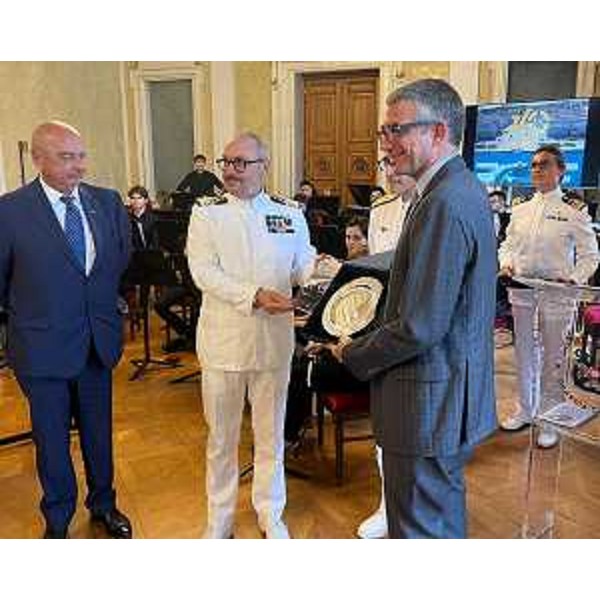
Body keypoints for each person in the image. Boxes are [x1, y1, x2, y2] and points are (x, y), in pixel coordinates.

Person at [327, 79, 498, 538]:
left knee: (420, 531)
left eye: (396, 130)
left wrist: (352, 352)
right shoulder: (458, 188)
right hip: (444, 398)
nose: (386, 143)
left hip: (428, 405)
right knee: (437, 522)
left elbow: (420, 326)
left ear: (438, 131)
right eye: (384, 131)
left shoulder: (442, 201)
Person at [0, 121, 132, 539]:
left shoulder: (107, 202)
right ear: (38, 158)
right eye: (66, 157)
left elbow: (119, 261)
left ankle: (104, 504)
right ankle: (57, 519)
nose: (79, 166)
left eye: (81, 155)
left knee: (98, 434)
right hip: (41, 349)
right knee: (52, 441)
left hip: (96, 343)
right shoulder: (9, 211)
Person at [186, 132, 316, 539]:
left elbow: (302, 262)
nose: (231, 170)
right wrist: (254, 296)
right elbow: (203, 272)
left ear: (264, 167)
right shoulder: (206, 213)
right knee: (221, 439)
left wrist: (318, 275)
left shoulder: (288, 212)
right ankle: (219, 518)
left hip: (273, 344)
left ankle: (270, 513)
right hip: (223, 343)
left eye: (241, 163)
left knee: (271, 434)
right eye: (227, 162)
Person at [498, 145, 599, 448]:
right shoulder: (520, 209)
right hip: (522, 290)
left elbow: (590, 256)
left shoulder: (573, 211)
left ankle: (549, 417)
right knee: (524, 353)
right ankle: (526, 409)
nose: (536, 170)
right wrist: (506, 262)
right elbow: (507, 245)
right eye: (533, 165)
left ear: (560, 171)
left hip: (557, 294)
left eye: (543, 164)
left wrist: (574, 279)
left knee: (554, 357)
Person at [356, 171, 417, 539]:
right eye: (386, 163)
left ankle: (417, 505)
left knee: (420, 426)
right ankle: (387, 504)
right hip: (385, 329)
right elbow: (375, 269)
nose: (391, 171)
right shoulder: (381, 209)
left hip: (424, 330)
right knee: (385, 421)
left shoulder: (437, 205)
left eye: (396, 161)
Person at [127, 185, 159, 250]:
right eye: (132, 198)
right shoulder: (127, 218)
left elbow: (156, 243)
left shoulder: (154, 218)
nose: (135, 201)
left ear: (146, 200)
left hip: (151, 253)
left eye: (139, 198)